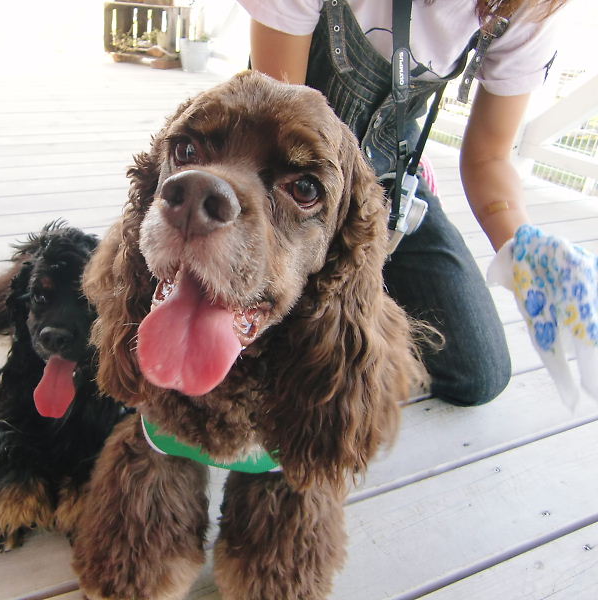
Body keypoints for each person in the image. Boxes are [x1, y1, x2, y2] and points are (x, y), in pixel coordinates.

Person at [236, 0, 569, 406]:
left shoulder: (527, 8)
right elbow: (274, 124)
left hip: (390, 182)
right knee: (263, 339)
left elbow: (490, 158)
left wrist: (530, 258)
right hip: (287, 184)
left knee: (478, 372)